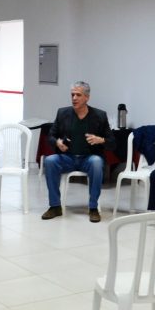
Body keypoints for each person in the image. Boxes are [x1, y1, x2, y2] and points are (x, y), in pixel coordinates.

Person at [42, 81, 116, 223]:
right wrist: (57, 142)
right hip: (67, 158)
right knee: (50, 161)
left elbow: (112, 143)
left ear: (87, 97)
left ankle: (93, 208)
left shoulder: (100, 116)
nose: (74, 98)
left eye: (78, 95)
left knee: (96, 162)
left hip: (89, 158)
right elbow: (50, 136)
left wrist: (100, 140)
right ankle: (55, 206)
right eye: (72, 95)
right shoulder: (62, 113)